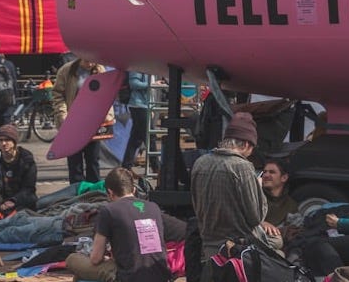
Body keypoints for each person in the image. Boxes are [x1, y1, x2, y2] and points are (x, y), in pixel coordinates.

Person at [191, 112, 281, 281]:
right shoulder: (242, 167)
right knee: (278, 243)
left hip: (209, 244)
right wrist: (258, 187)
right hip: (238, 247)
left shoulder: (200, 163)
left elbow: (196, 205)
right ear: (246, 144)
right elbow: (256, 217)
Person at [66, 167, 171, 282]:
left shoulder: (108, 211)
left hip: (129, 277)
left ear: (110, 193)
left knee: (73, 259)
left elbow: (96, 258)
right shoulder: (153, 207)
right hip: (161, 275)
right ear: (134, 190)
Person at [52, 57, 114, 184]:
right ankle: (76, 191)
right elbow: (58, 94)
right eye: (86, 61)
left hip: (92, 122)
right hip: (72, 122)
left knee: (93, 160)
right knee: (74, 161)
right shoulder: (66, 70)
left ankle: (94, 192)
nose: (90, 64)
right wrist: (63, 114)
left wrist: (108, 114)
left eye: (93, 60)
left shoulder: (100, 70)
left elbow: (107, 94)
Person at [0, 123, 37, 220]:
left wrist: (14, 200)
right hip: (0, 202)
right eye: (1, 140)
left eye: (7, 140)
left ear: (14, 142)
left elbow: (29, 188)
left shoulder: (26, 160)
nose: (4, 143)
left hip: (21, 201)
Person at [121, 71, 151, 170]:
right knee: (150, 136)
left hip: (144, 104)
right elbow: (133, 83)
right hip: (138, 104)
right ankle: (156, 166)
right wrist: (151, 85)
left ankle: (126, 166)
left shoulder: (149, 65)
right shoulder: (138, 65)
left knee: (136, 138)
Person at [261, 159, 298, 228]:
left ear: (284, 178)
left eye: (272, 172)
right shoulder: (254, 197)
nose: (266, 175)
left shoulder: (291, 205)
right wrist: (261, 223)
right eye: (265, 172)